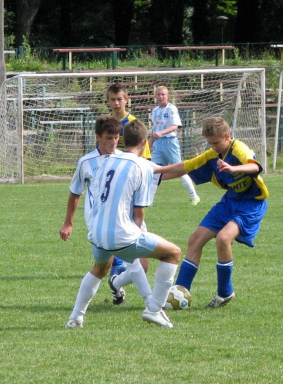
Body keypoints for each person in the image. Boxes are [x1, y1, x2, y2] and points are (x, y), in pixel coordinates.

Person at [66, 120, 181, 329]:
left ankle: (76, 317)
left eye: (116, 137)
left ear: (122, 139)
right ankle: (154, 307)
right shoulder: (100, 162)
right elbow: (76, 193)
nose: (112, 141)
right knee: (171, 253)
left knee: (101, 268)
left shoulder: (112, 161)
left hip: (99, 231)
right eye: (108, 137)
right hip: (117, 227)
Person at [155, 117, 269, 308]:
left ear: (227, 136)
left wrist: (233, 167)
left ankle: (225, 292)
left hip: (251, 204)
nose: (214, 147)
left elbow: (255, 166)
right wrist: (154, 171)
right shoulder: (211, 155)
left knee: (223, 239)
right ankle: (180, 291)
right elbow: (185, 167)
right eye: (210, 143)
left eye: (216, 142)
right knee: (195, 239)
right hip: (230, 202)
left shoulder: (238, 148)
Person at [105, 83, 152, 277]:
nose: (116, 103)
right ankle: (119, 269)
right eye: (112, 99)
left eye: (119, 99)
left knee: (132, 224)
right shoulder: (106, 123)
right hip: (112, 181)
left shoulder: (133, 124)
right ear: (107, 101)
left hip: (130, 183)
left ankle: (122, 269)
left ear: (127, 99)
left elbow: (145, 158)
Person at [148, 86, 200, 206]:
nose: (161, 97)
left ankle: (194, 196)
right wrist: (150, 144)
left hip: (170, 142)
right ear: (155, 96)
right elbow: (154, 130)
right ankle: (149, 201)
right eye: (159, 94)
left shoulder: (172, 109)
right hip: (158, 144)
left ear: (168, 96)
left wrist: (161, 132)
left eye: (163, 94)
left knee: (180, 169)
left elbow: (176, 126)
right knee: (155, 171)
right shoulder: (154, 111)